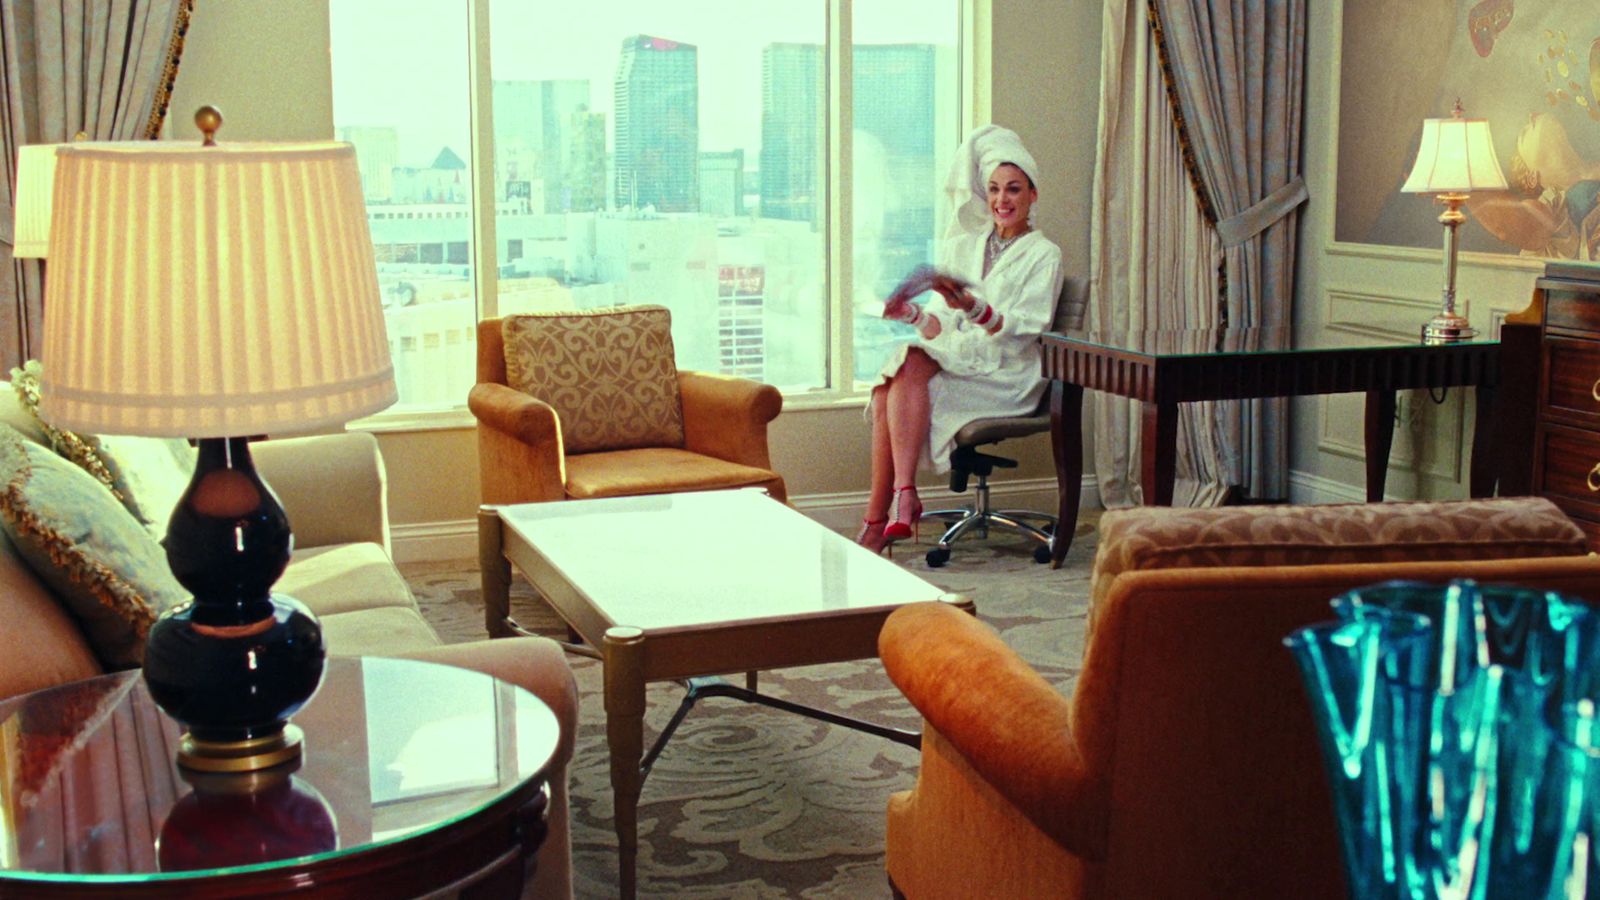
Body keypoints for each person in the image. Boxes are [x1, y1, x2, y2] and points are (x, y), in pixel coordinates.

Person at [857, 124, 1065, 553]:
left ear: (1033, 194)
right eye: (993, 189)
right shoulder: (970, 246)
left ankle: (886, 514)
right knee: (891, 383)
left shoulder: (1045, 255)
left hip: (1011, 374)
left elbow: (1028, 329)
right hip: (967, 361)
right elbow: (941, 328)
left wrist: (974, 308)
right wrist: (910, 312)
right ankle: (894, 505)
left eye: (1012, 190)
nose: (1001, 200)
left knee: (898, 378)